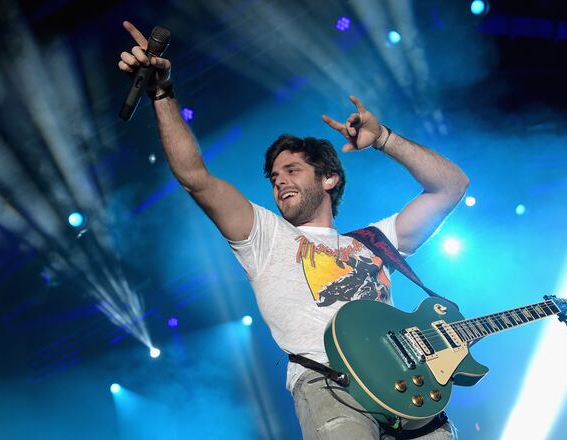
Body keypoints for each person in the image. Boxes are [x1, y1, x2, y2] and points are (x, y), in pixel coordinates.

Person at [118, 20, 469, 440]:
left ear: (328, 179)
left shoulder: (375, 241)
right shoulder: (265, 237)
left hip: (410, 394)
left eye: (292, 170)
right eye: (273, 176)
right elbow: (195, 176)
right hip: (332, 386)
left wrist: (384, 139)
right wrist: (161, 93)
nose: (279, 180)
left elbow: (451, 186)